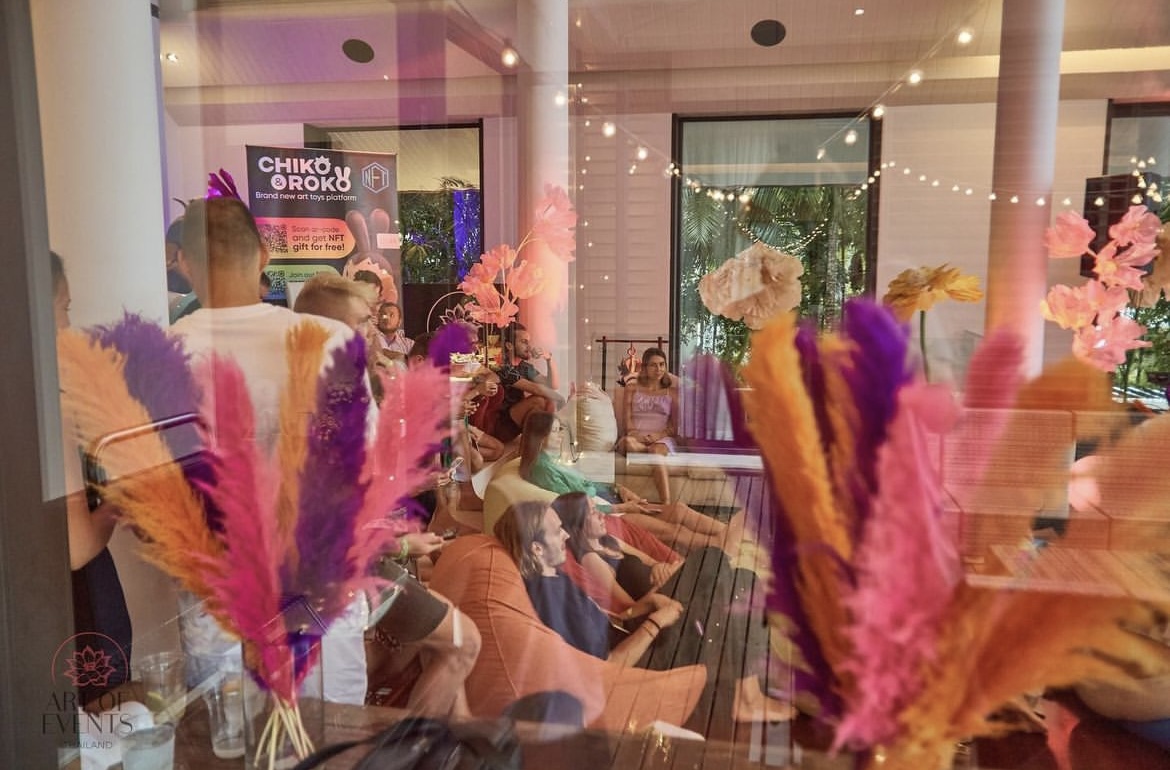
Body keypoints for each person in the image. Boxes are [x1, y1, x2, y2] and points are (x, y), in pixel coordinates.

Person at [171, 196, 372, 705]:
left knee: (232, 736)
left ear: (183, 262)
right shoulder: (330, 339)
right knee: (332, 734)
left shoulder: (163, 355)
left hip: (219, 600)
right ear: (263, 253)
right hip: (321, 585)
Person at [495, 500, 791, 724]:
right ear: (536, 549)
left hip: (633, 630)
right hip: (640, 659)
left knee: (711, 560)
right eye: (557, 531)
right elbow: (606, 666)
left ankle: (751, 681)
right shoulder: (547, 596)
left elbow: (608, 620)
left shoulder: (553, 575)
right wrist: (654, 623)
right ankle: (748, 697)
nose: (565, 536)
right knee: (740, 581)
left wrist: (646, 606)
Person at [53, 251, 133, 705]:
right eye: (64, 308)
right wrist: (118, 498)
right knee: (101, 720)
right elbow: (77, 546)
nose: (68, 324)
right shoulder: (48, 407)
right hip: (73, 608)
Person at [519, 411, 738, 554]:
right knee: (672, 531)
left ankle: (733, 534)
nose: (560, 435)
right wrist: (623, 508)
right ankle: (722, 546)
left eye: (560, 429)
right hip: (605, 515)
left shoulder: (554, 460)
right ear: (541, 435)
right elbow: (575, 507)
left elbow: (587, 484)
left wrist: (619, 488)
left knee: (679, 510)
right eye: (555, 430)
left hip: (610, 500)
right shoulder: (542, 469)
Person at [616, 347, 679, 503]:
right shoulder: (631, 388)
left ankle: (666, 504)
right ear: (644, 367)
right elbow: (627, 420)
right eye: (653, 365)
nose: (659, 369)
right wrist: (636, 435)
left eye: (662, 364)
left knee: (656, 451)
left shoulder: (672, 392)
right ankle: (648, 451)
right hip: (635, 439)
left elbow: (673, 427)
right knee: (625, 443)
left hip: (661, 439)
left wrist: (657, 436)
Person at [492, 323, 562, 442]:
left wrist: (549, 359)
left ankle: (540, 442)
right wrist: (560, 399)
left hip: (516, 419)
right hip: (500, 424)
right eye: (524, 342)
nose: (529, 347)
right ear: (509, 345)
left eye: (529, 342)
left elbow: (552, 385)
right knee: (539, 400)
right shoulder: (501, 365)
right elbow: (535, 388)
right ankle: (544, 442)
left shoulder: (525, 367)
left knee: (545, 401)